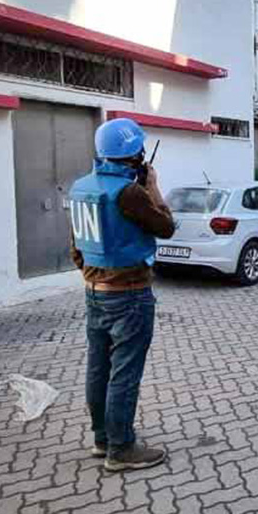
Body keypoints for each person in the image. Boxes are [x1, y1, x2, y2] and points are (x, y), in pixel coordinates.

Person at [69, 118, 175, 472]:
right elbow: (166, 226)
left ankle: (102, 439)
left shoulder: (82, 187)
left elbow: (77, 249)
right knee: (125, 373)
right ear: (134, 153)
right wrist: (154, 187)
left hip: (94, 293)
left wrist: (93, 275)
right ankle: (122, 449)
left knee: (98, 369)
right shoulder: (129, 193)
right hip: (129, 296)